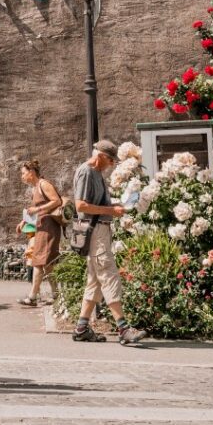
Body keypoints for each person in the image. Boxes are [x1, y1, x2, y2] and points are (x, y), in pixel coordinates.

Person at [71, 140, 146, 346]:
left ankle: (82, 327)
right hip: (95, 231)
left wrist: (115, 206)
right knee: (109, 274)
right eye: (111, 160)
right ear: (101, 156)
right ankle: (123, 329)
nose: (112, 164)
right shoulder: (86, 172)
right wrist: (111, 210)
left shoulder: (96, 173)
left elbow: (96, 204)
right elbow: (81, 205)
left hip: (99, 230)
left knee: (95, 279)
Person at [15, 160, 62, 306]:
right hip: (42, 227)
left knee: (38, 261)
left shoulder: (43, 184)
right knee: (47, 263)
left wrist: (36, 210)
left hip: (49, 228)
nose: (22, 177)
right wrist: (24, 221)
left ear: (31, 172)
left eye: (23, 173)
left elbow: (57, 201)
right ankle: (56, 295)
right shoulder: (36, 187)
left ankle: (33, 297)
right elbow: (35, 209)